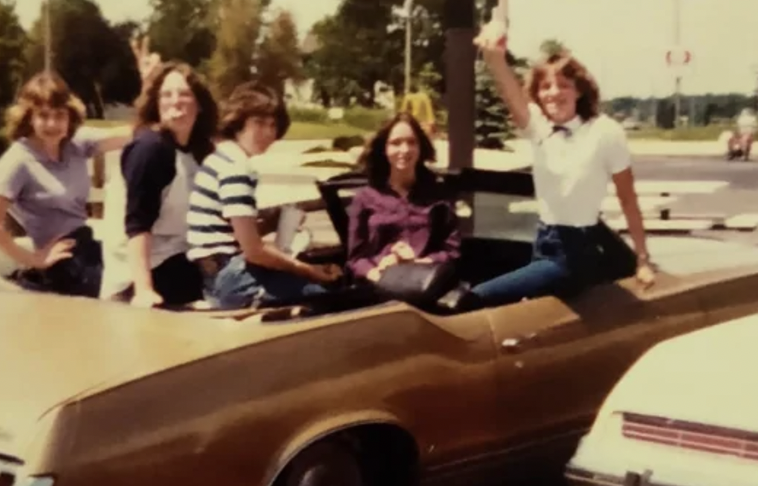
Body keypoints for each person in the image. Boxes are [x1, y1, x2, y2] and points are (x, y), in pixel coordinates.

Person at [465, 22, 657, 308]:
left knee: (475, 298)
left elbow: (628, 198)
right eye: (545, 86)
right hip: (544, 241)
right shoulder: (539, 127)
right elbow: (512, 95)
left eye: (564, 85)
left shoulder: (605, 132)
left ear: (579, 91)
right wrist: (495, 59)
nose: (554, 93)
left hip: (578, 251)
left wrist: (642, 259)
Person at [0, 71, 133, 298]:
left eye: (59, 115)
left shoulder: (75, 143)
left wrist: (149, 82)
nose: (52, 124)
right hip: (65, 264)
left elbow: (132, 133)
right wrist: (33, 259)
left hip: (87, 250)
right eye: (43, 115)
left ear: (69, 116)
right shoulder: (19, 159)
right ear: (30, 117)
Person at [187, 82, 344, 309]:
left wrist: (272, 223)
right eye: (259, 123)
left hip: (214, 275)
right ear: (238, 122)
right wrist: (310, 271)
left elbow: (233, 234)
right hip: (232, 278)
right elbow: (254, 252)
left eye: (273, 125)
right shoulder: (237, 168)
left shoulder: (219, 157)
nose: (268, 132)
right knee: (325, 300)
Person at [112, 60, 218, 308]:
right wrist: (144, 290)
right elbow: (137, 225)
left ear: (199, 104)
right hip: (143, 270)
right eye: (166, 94)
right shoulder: (151, 149)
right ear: (156, 103)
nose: (175, 101)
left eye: (184, 94)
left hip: (181, 259)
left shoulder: (199, 151)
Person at [346, 112, 460, 286]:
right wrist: (377, 274)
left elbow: (451, 251)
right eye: (395, 143)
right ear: (384, 149)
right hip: (377, 289)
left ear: (421, 147)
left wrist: (416, 263)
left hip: (425, 286)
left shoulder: (439, 196)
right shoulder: (365, 198)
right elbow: (356, 260)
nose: (405, 150)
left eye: (411, 142)